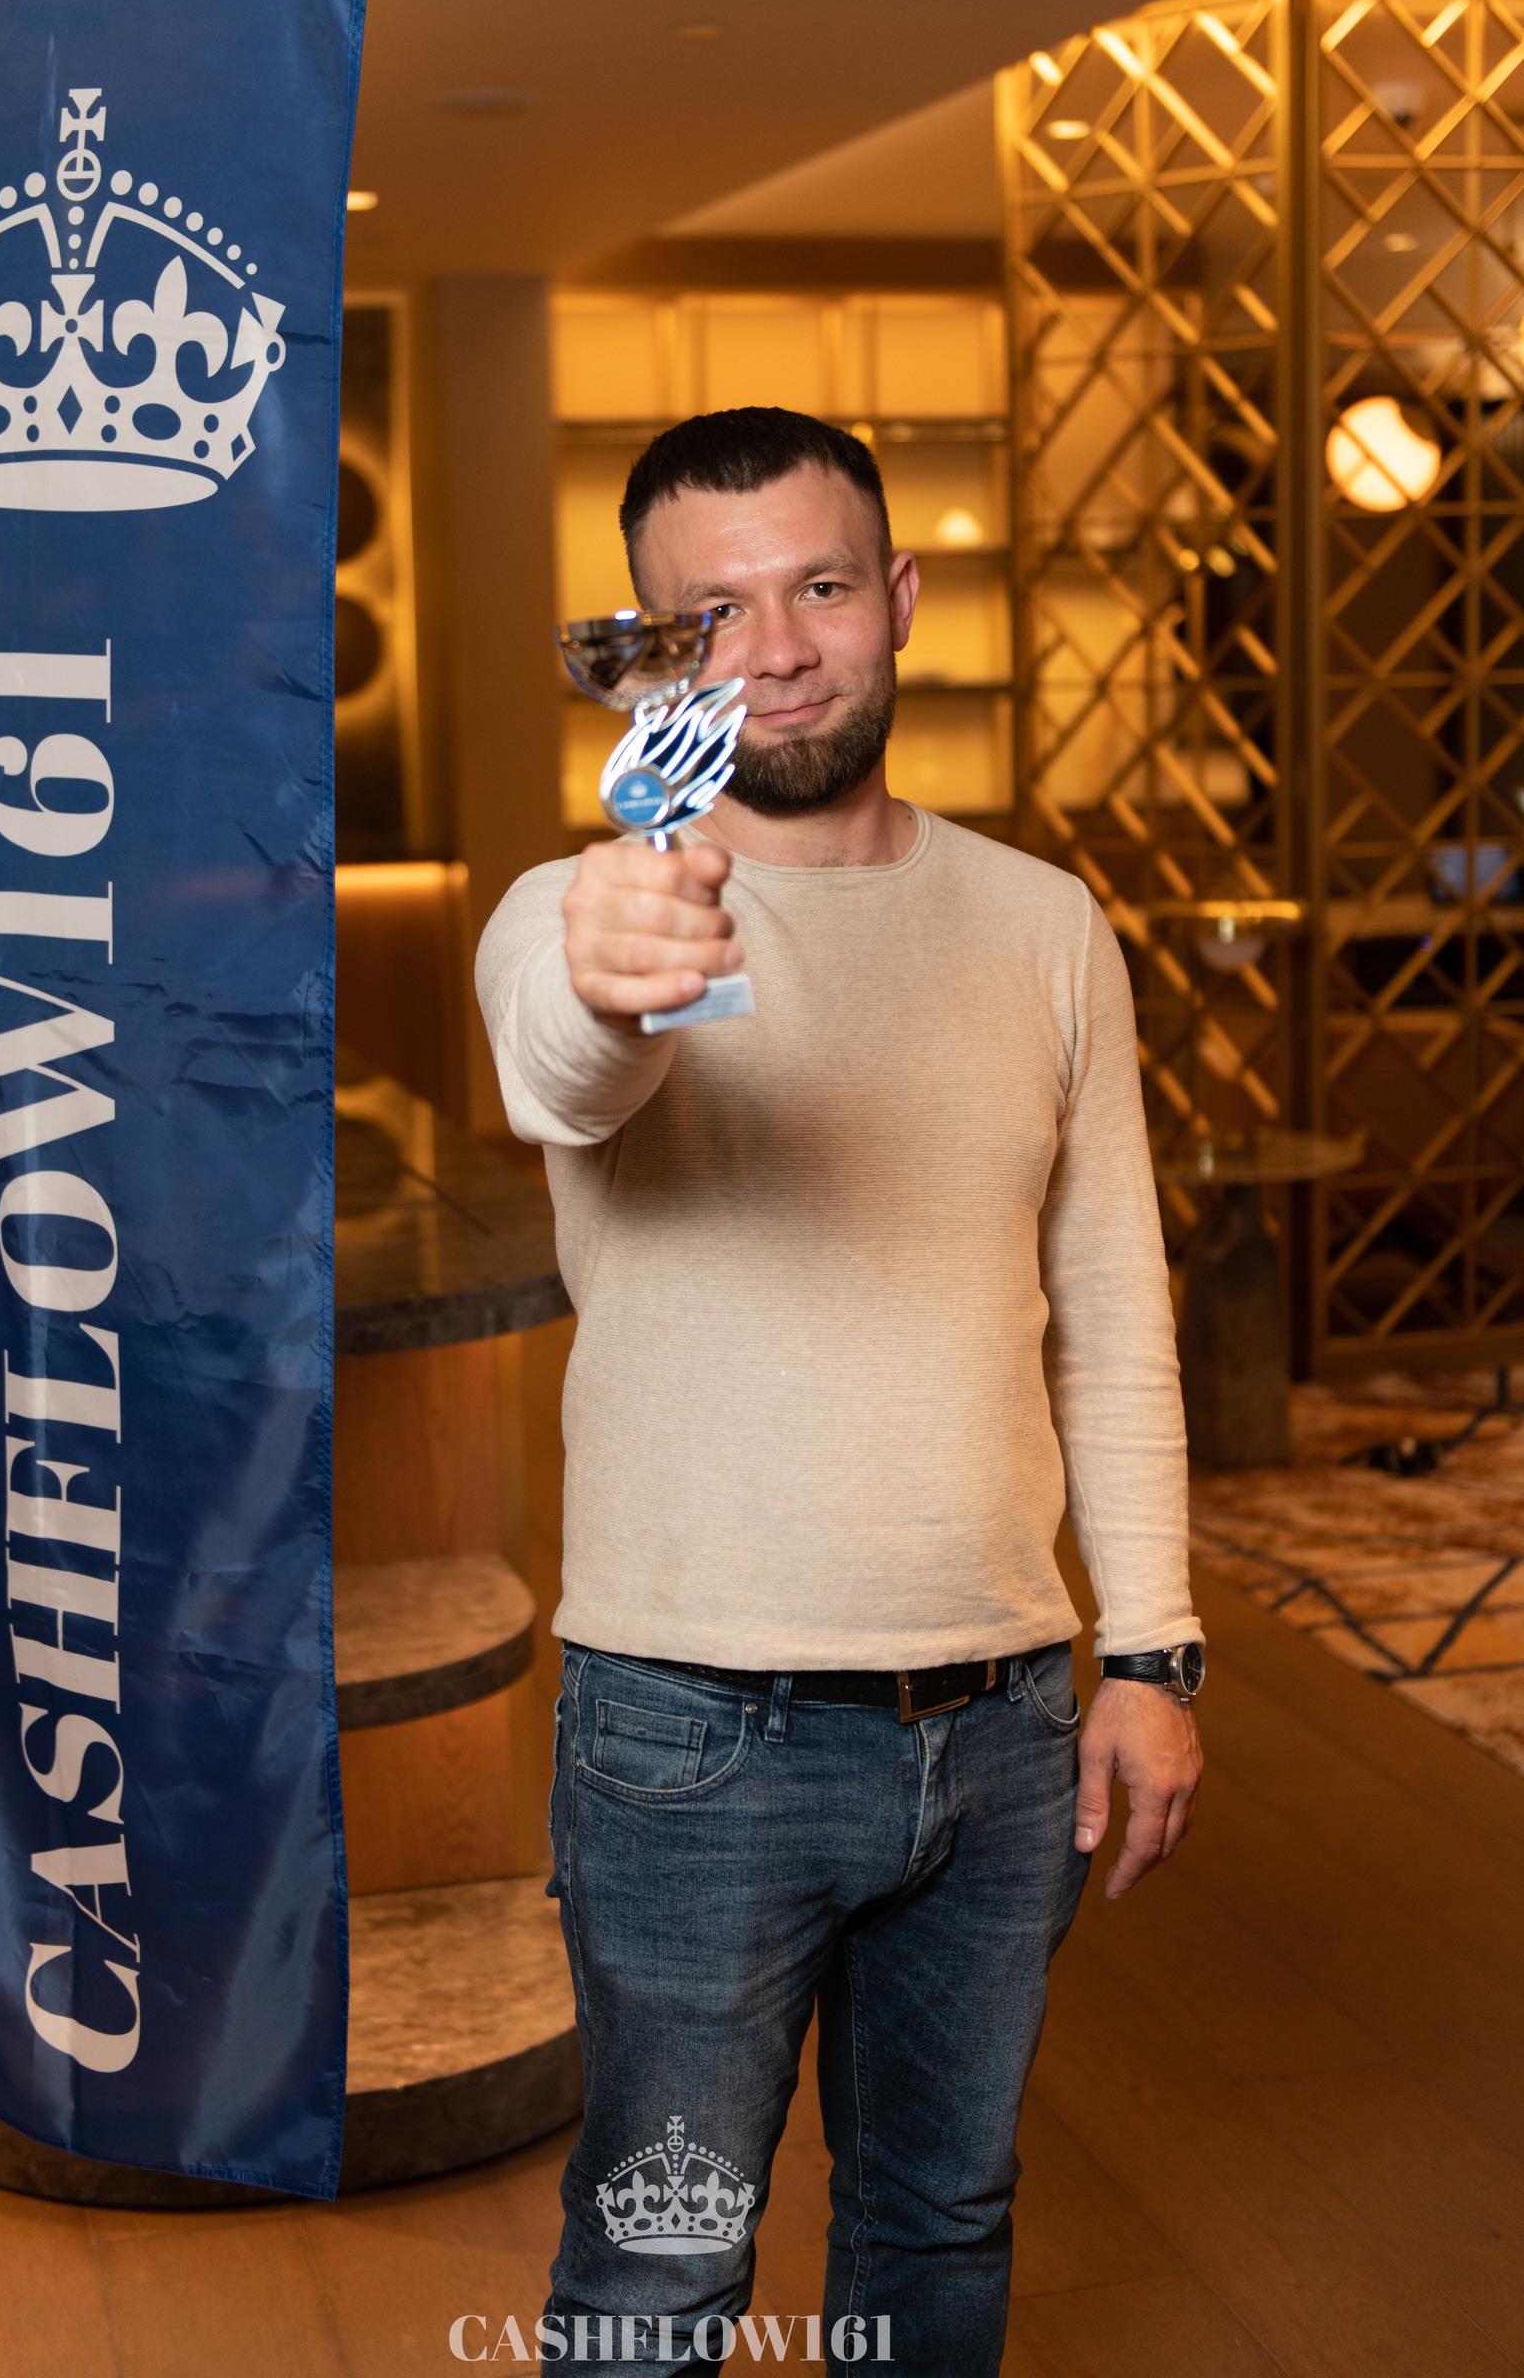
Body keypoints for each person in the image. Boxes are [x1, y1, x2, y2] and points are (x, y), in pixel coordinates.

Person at [473, 407, 1205, 2377]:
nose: (781, 648)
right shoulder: (580, 908)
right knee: (659, 2276)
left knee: (939, 2226)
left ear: (901, 597)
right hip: (691, 1728)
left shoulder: (1045, 923)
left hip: (1005, 1722)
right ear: (655, 648)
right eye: (716, 610)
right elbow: (567, 1061)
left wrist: (1154, 1650)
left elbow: (1109, 1301)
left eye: (819, 586)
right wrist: (618, 963)